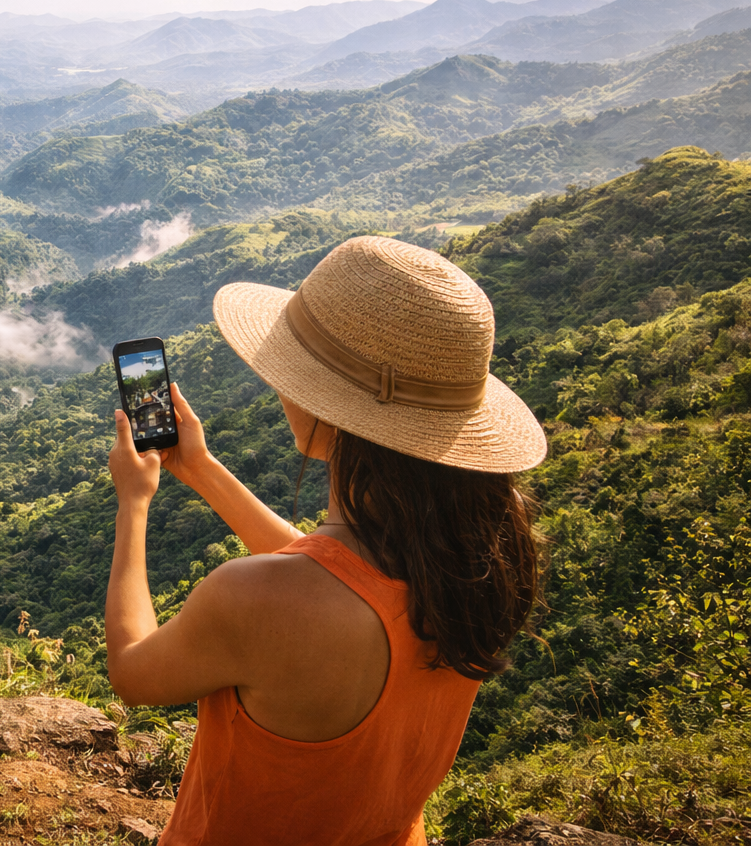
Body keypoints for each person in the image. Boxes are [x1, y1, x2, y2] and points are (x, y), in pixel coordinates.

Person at [105, 236, 546, 846]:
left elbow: (132, 672)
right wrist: (200, 469)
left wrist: (134, 502)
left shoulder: (253, 598)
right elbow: (333, 578)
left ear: (325, 405)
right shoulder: (476, 557)